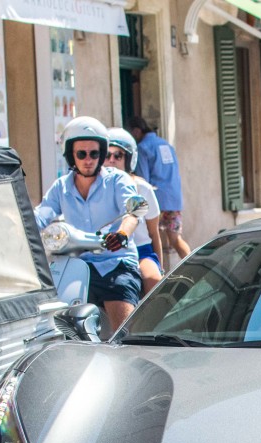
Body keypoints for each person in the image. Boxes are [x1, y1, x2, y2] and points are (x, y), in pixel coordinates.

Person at [36, 115, 143, 330]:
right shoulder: (60, 188)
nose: (88, 159)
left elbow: (134, 211)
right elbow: (40, 216)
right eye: (81, 154)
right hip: (76, 266)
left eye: (94, 153)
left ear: (101, 154)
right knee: (52, 323)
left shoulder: (117, 180)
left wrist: (122, 235)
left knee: (123, 331)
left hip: (115, 265)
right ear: (70, 156)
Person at [105, 127, 164, 296]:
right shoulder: (96, 189)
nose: (112, 160)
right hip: (107, 253)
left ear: (129, 158)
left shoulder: (142, 188)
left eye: (118, 155)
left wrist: (159, 266)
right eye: (107, 155)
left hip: (141, 251)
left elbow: (154, 233)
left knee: (153, 280)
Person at [126, 116, 190, 265]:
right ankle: (194, 267)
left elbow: (143, 180)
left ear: (136, 131)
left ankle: (158, 271)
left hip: (157, 201)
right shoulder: (166, 144)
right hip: (174, 199)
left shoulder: (142, 148)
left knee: (153, 236)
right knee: (175, 239)